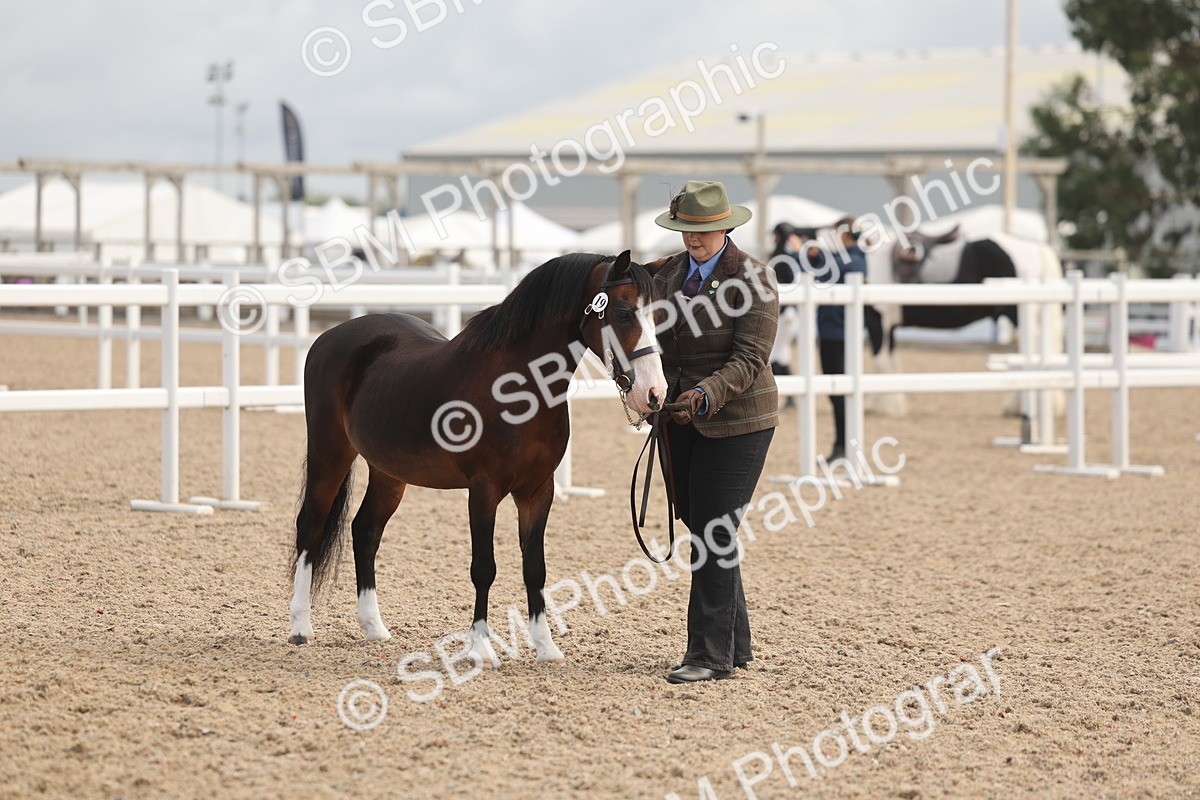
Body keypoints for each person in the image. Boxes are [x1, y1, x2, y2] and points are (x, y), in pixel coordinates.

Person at [652, 180, 779, 684]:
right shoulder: (667, 274)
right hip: (677, 418)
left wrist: (705, 394)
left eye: (702, 231)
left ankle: (708, 655)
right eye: (685, 230)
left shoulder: (755, 278)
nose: (693, 239)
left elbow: (751, 358)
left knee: (713, 531)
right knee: (700, 522)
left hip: (739, 419)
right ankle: (735, 643)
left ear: (725, 227)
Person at [807, 216, 867, 461]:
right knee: (839, 394)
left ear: (843, 234)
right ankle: (843, 445)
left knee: (840, 394)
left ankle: (844, 445)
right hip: (838, 332)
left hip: (837, 334)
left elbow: (825, 274)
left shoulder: (852, 260)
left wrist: (810, 255)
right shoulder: (851, 258)